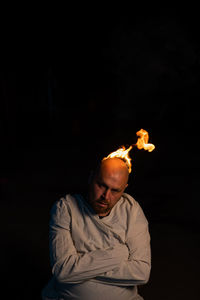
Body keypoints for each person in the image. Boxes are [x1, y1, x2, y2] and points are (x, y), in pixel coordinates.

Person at [42, 157, 151, 300]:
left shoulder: (132, 210)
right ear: (91, 177)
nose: (106, 196)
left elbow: (141, 273)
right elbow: (63, 271)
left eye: (115, 191)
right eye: (101, 185)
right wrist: (119, 254)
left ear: (124, 189)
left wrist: (79, 268)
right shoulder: (66, 208)